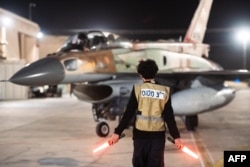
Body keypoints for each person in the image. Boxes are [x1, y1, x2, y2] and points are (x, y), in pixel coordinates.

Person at [108, 59, 183, 167]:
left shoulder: (138, 90)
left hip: (140, 137)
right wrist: (176, 137)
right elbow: (169, 117)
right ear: (155, 73)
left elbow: (128, 113)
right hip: (158, 138)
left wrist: (117, 133)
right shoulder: (164, 91)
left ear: (140, 74)